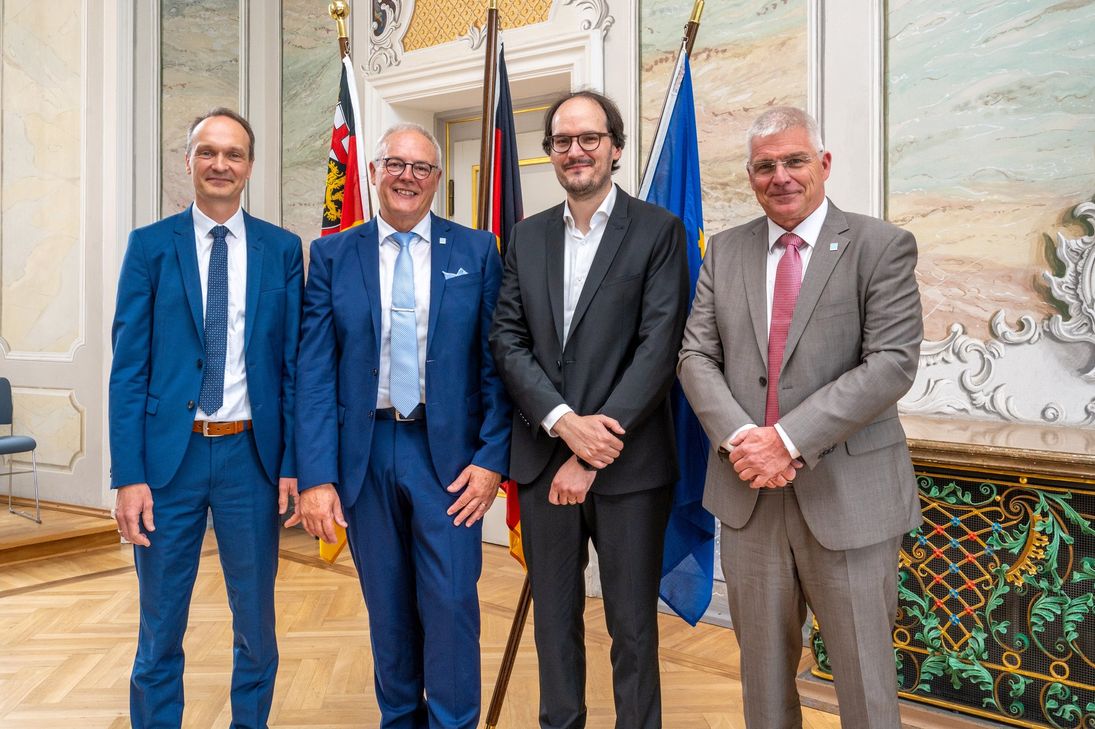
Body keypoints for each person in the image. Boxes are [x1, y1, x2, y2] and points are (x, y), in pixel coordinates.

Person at [677, 106, 923, 728]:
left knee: (865, 682)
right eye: (765, 166)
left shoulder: (879, 245)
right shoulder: (726, 251)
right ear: (751, 174)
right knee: (762, 680)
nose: (780, 176)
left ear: (824, 164)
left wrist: (787, 440)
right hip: (748, 494)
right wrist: (743, 441)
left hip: (849, 498)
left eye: (794, 161)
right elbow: (695, 354)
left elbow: (891, 363)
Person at [291, 122, 510, 729]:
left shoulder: (477, 251)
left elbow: (498, 366)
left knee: (450, 606)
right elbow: (314, 371)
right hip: (365, 453)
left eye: (420, 167)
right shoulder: (334, 254)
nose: (407, 176)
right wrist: (315, 476)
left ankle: (453, 721)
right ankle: (399, 719)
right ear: (373, 172)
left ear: (437, 180)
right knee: (386, 607)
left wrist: (493, 457)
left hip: (450, 460)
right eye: (395, 164)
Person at [490, 90, 689, 729]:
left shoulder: (659, 231)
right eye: (562, 141)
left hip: (629, 467)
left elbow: (659, 349)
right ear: (550, 153)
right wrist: (560, 422)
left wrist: (593, 445)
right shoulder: (526, 236)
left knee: (632, 628)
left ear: (615, 148)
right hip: (545, 462)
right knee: (555, 624)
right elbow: (507, 339)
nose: (575, 151)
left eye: (589, 138)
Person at [109, 107, 302, 729]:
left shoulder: (282, 250)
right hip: (171, 464)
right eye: (208, 152)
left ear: (250, 166)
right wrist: (128, 475)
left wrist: (295, 465)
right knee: (160, 624)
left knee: (257, 626)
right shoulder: (149, 247)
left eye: (234, 154)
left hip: (252, 460)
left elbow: (294, 369)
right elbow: (127, 369)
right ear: (188, 161)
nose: (221, 164)